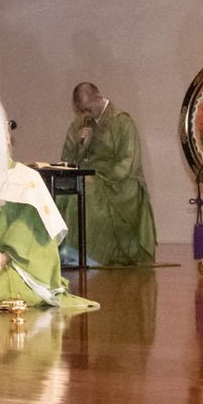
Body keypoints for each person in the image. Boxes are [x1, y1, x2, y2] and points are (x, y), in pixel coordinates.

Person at [0, 85, 96, 313]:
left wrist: (6, 256)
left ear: (6, 139)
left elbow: (33, 227)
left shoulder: (26, 178)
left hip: (18, 265)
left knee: (8, 284)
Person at [58, 83, 157, 269]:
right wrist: (81, 145)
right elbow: (66, 162)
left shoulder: (123, 123)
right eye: (80, 111)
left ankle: (85, 256)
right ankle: (64, 255)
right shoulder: (78, 126)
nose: (85, 114)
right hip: (86, 178)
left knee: (84, 193)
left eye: (87, 109)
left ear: (98, 98)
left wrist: (98, 179)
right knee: (61, 194)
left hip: (118, 184)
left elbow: (128, 162)